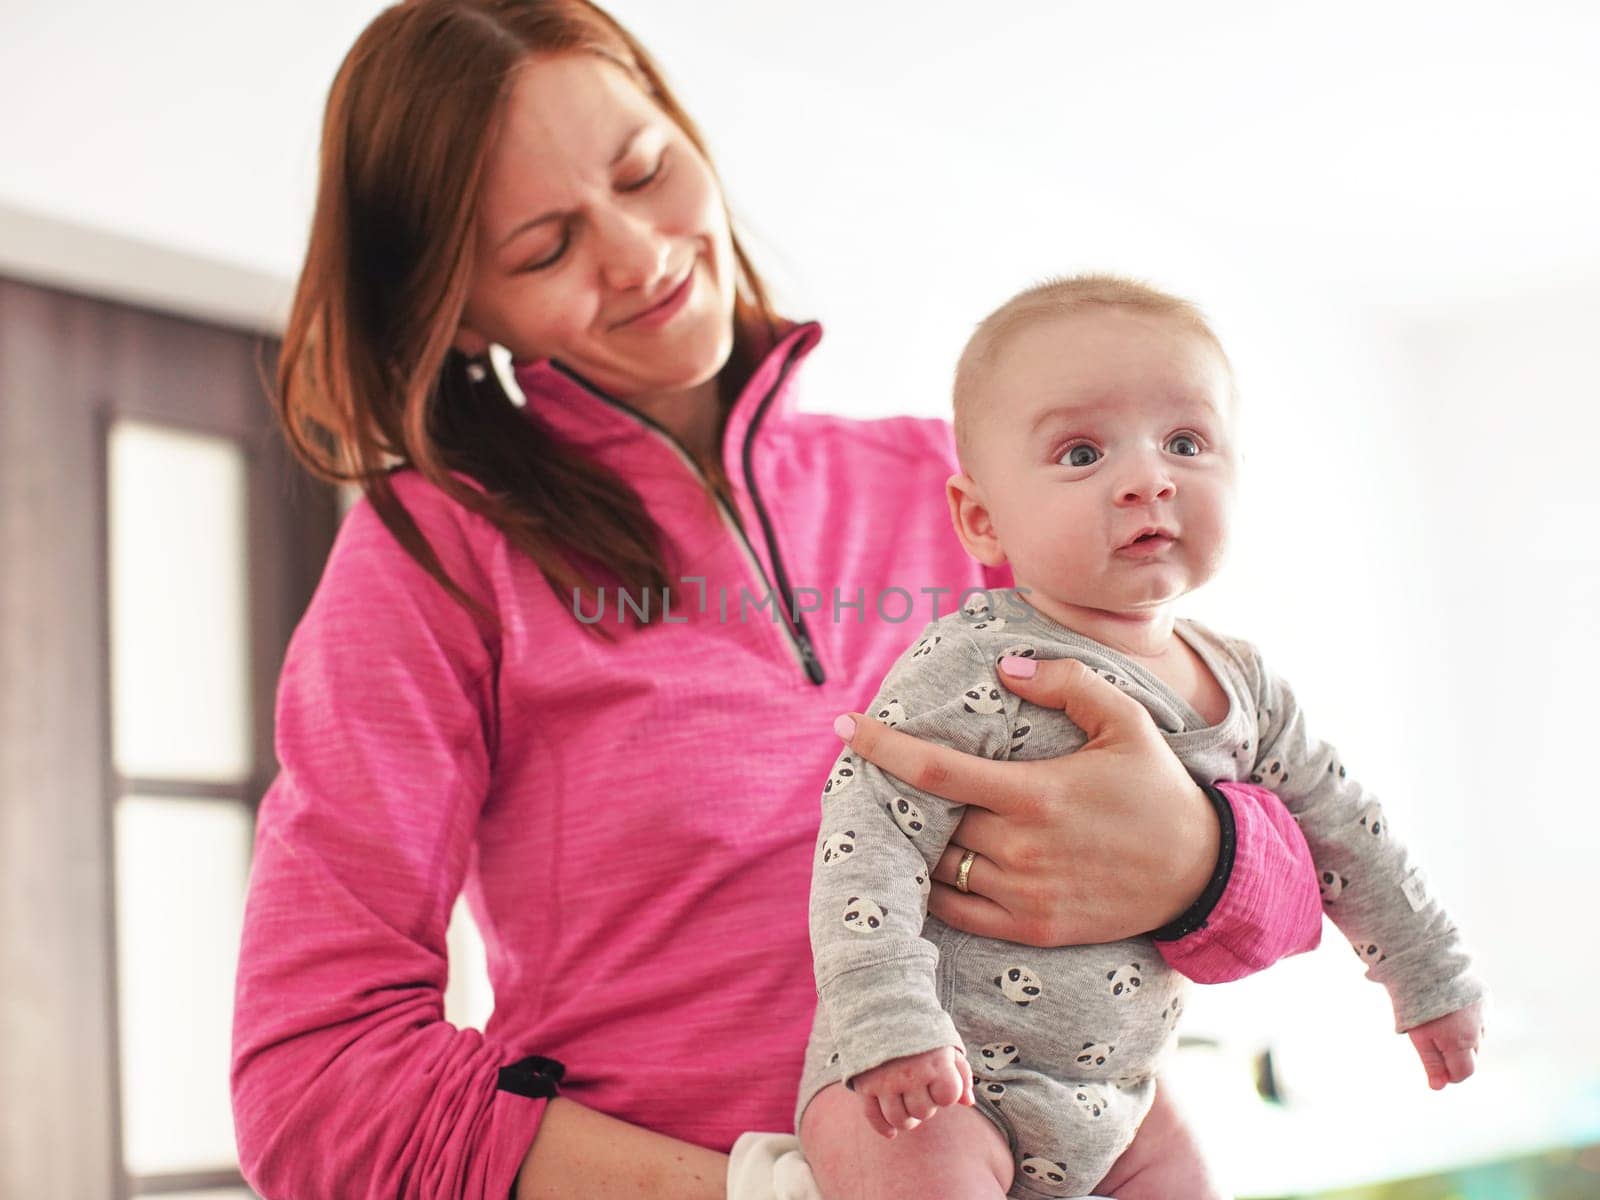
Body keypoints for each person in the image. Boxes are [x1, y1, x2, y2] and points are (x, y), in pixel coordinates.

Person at [228, 5, 1326, 1198]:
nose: (640, 255)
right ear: (460, 308)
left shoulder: (958, 492)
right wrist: (771, 1193)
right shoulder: (438, 556)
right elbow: (316, 1084)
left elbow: (1292, 881)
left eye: (645, 170)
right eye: (544, 247)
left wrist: (1203, 859)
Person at [797, 276, 1488, 1199]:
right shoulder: (977, 665)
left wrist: (1430, 974)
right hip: (934, 1079)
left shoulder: (1246, 684)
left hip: (1120, 1097)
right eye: (1082, 452)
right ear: (981, 520)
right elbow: (866, 835)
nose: (1148, 478)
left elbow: (1346, 830)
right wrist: (889, 1024)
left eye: (1186, 442)